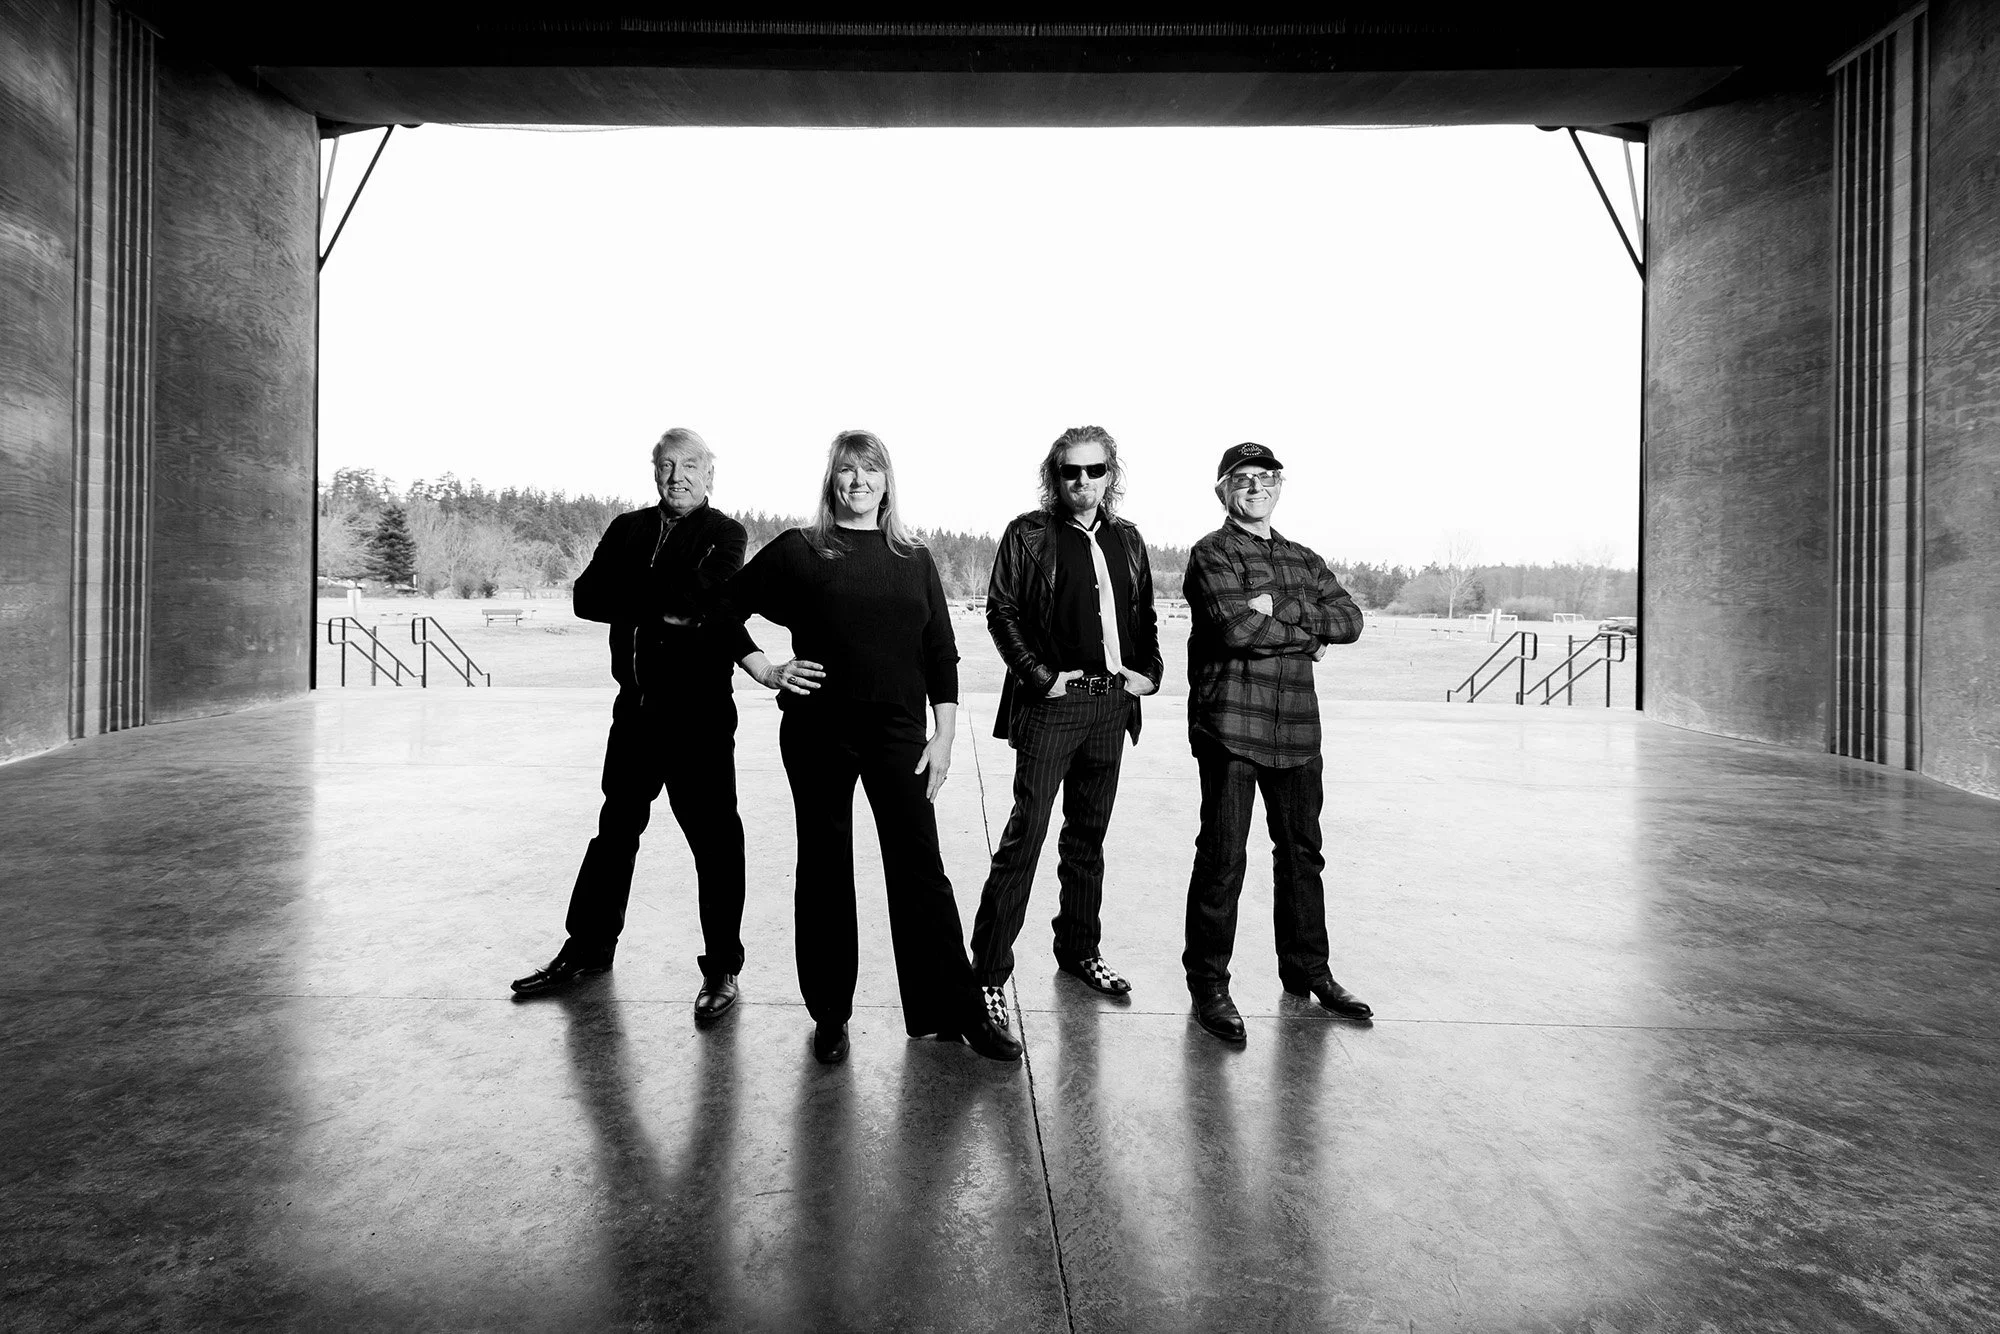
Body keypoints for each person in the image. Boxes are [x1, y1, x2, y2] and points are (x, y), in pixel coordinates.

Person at [710, 429, 1020, 1065]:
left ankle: (951, 1009)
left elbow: (940, 652)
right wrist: (764, 668)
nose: (858, 482)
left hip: (898, 732)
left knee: (920, 867)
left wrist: (945, 734)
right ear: (832, 480)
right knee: (824, 866)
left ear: (887, 481)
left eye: (870, 471)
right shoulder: (802, 550)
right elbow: (721, 609)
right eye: (847, 471)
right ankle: (830, 1014)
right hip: (817, 729)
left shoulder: (915, 558)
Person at [512, 428, 751, 1022]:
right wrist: (657, 600)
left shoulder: (725, 534)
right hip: (635, 713)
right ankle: (589, 948)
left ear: (710, 474)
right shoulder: (627, 528)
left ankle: (722, 967)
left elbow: (697, 600)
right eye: (667, 466)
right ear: (654, 473)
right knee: (614, 832)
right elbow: (586, 598)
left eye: (691, 465)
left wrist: (638, 593)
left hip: (698, 718)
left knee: (715, 843)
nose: (679, 476)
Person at [968, 426, 1162, 1037]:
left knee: (1088, 839)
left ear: (1112, 474)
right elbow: (1002, 612)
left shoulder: (1127, 539)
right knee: (1026, 837)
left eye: (1095, 471)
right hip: (1055, 705)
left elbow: (1144, 614)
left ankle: (1079, 951)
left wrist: (1149, 675)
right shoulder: (1028, 533)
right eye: (1071, 472)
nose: (1083, 482)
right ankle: (989, 976)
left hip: (1111, 705)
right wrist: (1042, 678)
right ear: (1055, 476)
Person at [1180, 442, 1374, 1043]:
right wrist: (1306, 634)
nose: (1255, 487)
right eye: (1242, 479)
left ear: (1280, 488)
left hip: (1296, 732)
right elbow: (1235, 627)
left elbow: (1349, 622)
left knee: (1301, 856)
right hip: (1232, 727)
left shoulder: (1304, 558)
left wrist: (1281, 608)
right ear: (1223, 490)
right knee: (1223, 858)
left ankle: (1308, 970)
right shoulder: (1211, 553)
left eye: (1266, 478)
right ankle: (1209, 984)